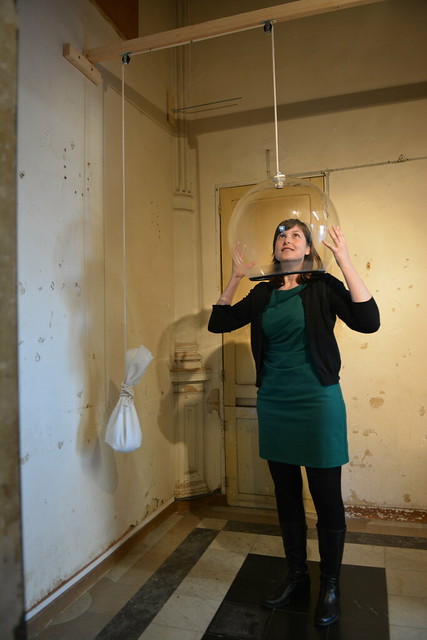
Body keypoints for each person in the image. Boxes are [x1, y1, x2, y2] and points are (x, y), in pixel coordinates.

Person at [208, 219, 380, 627]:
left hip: (317, 401)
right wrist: (234, 279)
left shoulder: (322, 286)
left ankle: (331, 584)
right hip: (275, 402)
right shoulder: (263, 292)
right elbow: (219, 323)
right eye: (281, 236)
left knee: (326, 496)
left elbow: (368, 320)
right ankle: (297, 575)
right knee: (286, 494)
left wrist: (344, 260)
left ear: (307, 249)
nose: (287, 240)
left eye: (296, 236)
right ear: (276, 249)